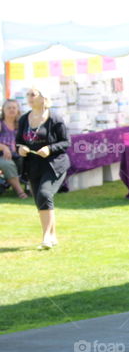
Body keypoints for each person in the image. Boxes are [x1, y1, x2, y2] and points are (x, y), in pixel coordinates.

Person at [15, 87, 70, 249]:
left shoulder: (55, 118)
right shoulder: (24, 119)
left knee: (45, 193)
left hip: (54, 164)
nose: (30, 97)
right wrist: (20, 148)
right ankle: (52, 236)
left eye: (33, 94)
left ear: (43, 97)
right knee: (40, 199)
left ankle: (46, 237)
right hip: (32, 165)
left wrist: (49, 149)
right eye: (28, 95)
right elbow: (18, 141)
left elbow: (66, 142)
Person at [0, 99, 28, 198]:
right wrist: (4, 147)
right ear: (3, 110)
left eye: (14, 108)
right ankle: (19, 191)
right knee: (7, 163)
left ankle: (34, 188)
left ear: (18, 110)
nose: (11, 110)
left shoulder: (21, 124)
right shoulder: (1, 124)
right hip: (2, 155)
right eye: (9, 108)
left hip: (18, 154)